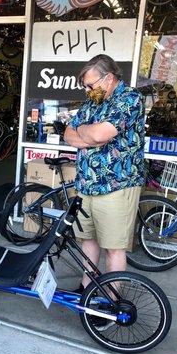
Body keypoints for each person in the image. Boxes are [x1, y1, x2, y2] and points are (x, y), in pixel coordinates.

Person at [63, 54, 145, 293]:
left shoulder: (130, 99)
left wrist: (88, 134)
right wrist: (88, 134)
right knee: (88, 241)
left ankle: (112, 299)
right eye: (85, 87)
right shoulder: (93, 102)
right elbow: (69, 134)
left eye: (91, 85)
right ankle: (87, 288)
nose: (88, 91)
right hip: (87, 184)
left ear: (108, 78)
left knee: (114, 248)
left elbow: (101, 134)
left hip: (116, 187)